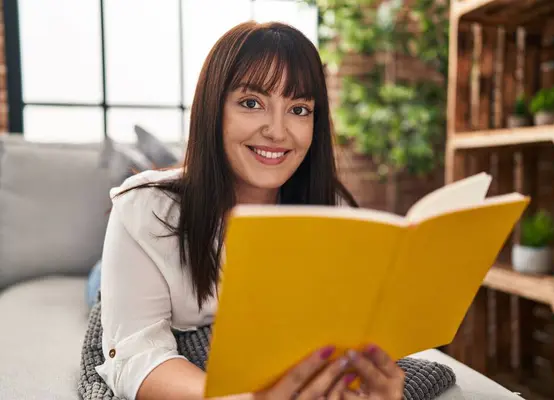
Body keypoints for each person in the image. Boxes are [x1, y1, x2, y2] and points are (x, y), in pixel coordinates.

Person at [94, 21, 406, 400]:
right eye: (251, 103)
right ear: (214, 108)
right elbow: (134, 355)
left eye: (299, 109)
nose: (277, 131)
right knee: (99, 294)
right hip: (147, 253)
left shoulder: (332, 209)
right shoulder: (142, 208)